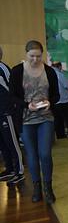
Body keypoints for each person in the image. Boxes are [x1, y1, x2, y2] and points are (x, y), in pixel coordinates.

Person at [9, 40, 60, 203]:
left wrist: (50, 102)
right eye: (32, 56)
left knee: (45, 153)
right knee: (31, 154)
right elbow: (12, 96)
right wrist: (26, 105)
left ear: (42, 55)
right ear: (26, 54)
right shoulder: (17, 72)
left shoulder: (50, 72)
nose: (35, 60)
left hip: (45, 117)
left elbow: (56, 95)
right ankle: (37, 187)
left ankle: (48, 187)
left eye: (38, 56)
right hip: (25, 119)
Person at [0, 45, 25, 184]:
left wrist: (13, 108)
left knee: (12, 142)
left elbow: (13, 89)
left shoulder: (3, 68)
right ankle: (9, 169)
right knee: (2, 143)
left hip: (7, 112)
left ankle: (19, 172)